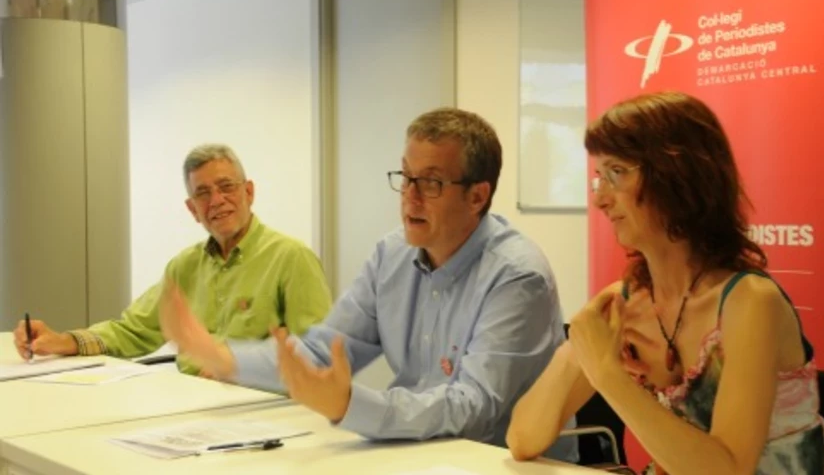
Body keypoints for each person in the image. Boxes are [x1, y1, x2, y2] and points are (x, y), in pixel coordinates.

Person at [160, 108, 566, 447]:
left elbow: (473, 408)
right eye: (406, 178)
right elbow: (323, 351)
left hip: (494, 461)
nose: (410, 196)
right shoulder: (392, 255)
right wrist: (223, 357)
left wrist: (350, 404)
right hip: (413, 453)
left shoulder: (517, 276)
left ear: (477, 196)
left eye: (431, 182)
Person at [506, 91, 824, 474]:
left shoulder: (749, 301)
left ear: (676, 176)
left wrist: (607, 374)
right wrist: (586, 352)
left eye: (617, 172)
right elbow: (524, 439)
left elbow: (725, 470)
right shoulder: (625, 303)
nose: (601, 200)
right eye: (599, 178)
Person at [12, 144, 333, 375]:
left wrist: (235, 365)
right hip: (189, 405)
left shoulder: (292, 259)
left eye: (226, 187)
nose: (217, 200)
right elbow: (133, 330)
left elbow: (319, 358)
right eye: (203, 193)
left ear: (249, 192)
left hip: (262, 409)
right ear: (192, 209)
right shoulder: (185, 266)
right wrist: (64, 341)